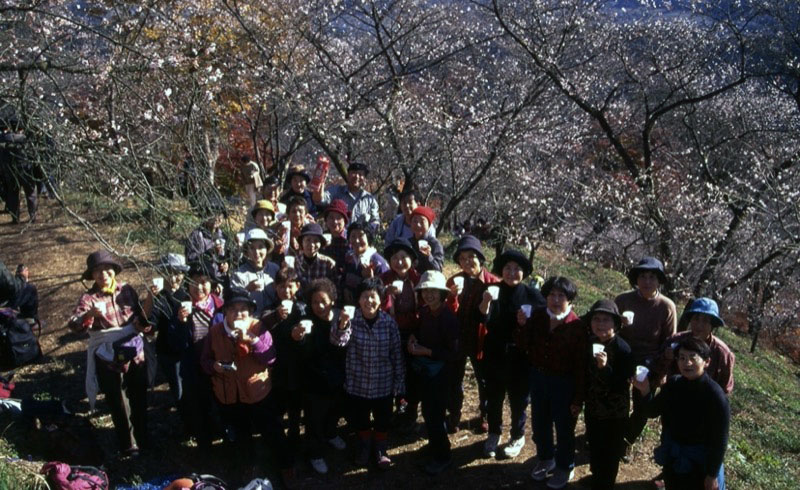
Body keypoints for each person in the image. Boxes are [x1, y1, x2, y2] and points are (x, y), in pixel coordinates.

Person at [200, 287, 294, 484]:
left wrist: (252, 340)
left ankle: (285, 465)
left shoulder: (258, 327)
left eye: (243, 309)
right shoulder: (216, 332)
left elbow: (270, 358)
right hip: (229, 395)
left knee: (272, 431)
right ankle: (248, 467)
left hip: (257, 392)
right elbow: (205, 361)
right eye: (233, 309)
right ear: (225, 311)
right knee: (241, 436)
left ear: (250, 312)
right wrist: (215, 366)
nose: (238, 313)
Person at [67, 250, 148, 456]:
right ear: (92, 276)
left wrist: (143, 324)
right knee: (118, 400)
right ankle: (129, 444)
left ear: (114, 271)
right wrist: (90, 314)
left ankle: (144, 435)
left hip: (133, 350)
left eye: (107, 270)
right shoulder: (89, 298)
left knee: (138, 394)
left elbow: (139, 315)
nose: (103, 275)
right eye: (97, 271)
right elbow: (74, 325)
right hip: (107, 355)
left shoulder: (127, 290)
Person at [632, 337, 730, 490]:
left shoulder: (715, 396)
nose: (687, 363)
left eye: (693, 357)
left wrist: (712, 475)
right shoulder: (674, 384)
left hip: (700, 463)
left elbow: (720, 440)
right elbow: (651, 411)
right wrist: (645, 391)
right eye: (682, 358)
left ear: (707, 362)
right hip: (674, 457)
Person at [517, 276, 584, 489]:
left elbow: (582, 367)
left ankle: (565, 466)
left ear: (570, 300)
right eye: (551, 295)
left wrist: (578, 398)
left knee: (564, 428)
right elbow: (523, 344)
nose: (555, 300)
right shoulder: (537, 316)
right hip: (539, 378)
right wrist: (521, 325)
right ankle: (546, 459)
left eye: (561, 296)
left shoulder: (577, 326)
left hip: (564, 383)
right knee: (540, 424)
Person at [331, 278, 404, 469]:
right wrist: (342, 324)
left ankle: (380, 448)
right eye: (365, 297)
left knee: (382, 419)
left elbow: (396, 354)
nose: (369, 301)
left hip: (383, 383)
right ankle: (364, 445)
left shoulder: (389, 323)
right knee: (361, 419)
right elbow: (338, 342)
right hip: (358, 383)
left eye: (373, 297)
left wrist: (399, 383)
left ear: (380, 300)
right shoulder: (351, 319)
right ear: (358, 300)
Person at [479, 249, 545, 459]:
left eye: (517, 269)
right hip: (495, 352)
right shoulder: (492, 290)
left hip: (520, 356)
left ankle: (517, 436)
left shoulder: (532, 295)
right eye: (507, 268)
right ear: (501, 270)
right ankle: (494, 433)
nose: (512, 272)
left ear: (524, 273)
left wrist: (527, 322)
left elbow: (542, 323)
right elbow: (480, 318)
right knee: (494, 395)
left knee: (519, 399)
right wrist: (486, 302)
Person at [615, 256, 676, 449]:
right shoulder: (623, 300)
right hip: (623, 357)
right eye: (643, 276)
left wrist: (662, 371)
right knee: (616, 400)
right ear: (636, 279)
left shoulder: (666, 306)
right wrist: (619, 324)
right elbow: (606, 329)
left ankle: (626, 440)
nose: (647, 282)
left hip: (649, 362)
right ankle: (609, 433)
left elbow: (670, 342)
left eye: (652, 277)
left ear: (659, 281)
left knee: (642, 407)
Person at [290, 278, 347, 475]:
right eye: (315, 302)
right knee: (314, 420)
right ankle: (315, 454)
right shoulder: (307, 322)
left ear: (333, 299)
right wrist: (299, 339)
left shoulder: (341, 317)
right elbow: (303, 354)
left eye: (324, 300)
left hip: (338, 377)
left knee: (335, 410)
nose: (320, 306)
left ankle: (331, 434)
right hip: (314, 380)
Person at [444, 235, 499, 434]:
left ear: (481, 259)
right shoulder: (454, 281)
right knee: (454, 377)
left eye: (472, 257)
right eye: (463, 258)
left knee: (483, 379)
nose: (467, 262)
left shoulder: (494, 283)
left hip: (481, 339)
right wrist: (452, 296)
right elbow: (448, 315)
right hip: (459, 337)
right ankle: (454, 413)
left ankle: (484, 414)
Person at [409, 271, 459, 475]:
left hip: (441, 375)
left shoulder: (448, 318)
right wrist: (413, 337)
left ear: (442, 294)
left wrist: (426, 351)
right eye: (425, 291)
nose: (429, 295)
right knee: (429, 413)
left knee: (436, 415)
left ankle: (443, 456)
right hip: (428, 372)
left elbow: (454, 353)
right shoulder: (426, 312)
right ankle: (435, 448)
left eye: (433, 292)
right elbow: (418, 330)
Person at [582, 300, 634, 490]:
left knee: (610, 451)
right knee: (594, 445)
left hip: (614, 412)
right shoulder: (590, 343)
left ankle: (606, 484)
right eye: (596, 319)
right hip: (593, 406)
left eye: (606, 320)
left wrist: (605, 368)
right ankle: (597, 478)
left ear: (616, 324)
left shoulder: (623, 349)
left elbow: (622, 382)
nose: (600, 324)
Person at [259, 268, 306, 463]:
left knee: (295, 403)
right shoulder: (271, 309)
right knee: (278, 403)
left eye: (290, 286)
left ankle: (295, 433)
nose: (286, 291)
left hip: (298, 365)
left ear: (297, 287)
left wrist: (299, 336)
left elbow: (307, 335)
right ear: (275, 288)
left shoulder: (302, 308)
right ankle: (278, 439)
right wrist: (277, 316)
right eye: (281, 287)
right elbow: (263, 325)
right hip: (277, 367)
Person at [380, 238, 421, 427]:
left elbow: (425, 306)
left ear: (412, 259)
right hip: (391, 332)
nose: (399, 262)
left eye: (404, 257)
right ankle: (399, 403)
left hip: (415, 330)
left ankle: (412, 406)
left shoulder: (417, 279)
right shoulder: (384, 279)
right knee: (396, 368)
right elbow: (378, 308)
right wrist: (385, 293)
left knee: (412, 370)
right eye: (395, 258)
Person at [657, 298, 734, 395]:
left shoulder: (722, 352)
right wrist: (666, 358)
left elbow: (725, 387)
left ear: (712, 325)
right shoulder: (675, 341)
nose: (699, 325)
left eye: (705, 321)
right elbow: (657, 370)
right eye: (696, 319)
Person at [313, 162, 380, 234]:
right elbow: (318, 199)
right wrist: (321, 181)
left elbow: (375, 221)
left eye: (360, 174)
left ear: (364, 179)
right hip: (338, 237)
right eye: (354, 173)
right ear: (348, 175)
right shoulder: (336, 191)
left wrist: (368, 232)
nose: (357, 176)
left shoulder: (369, 199)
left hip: (359, 239)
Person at [231, 228, 279, 316]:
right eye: (252, 248)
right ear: (246, 251)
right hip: (251, 320)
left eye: (260, 247)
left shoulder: (274, 269)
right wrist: (247, 289)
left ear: (266, 249)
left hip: (274, 318)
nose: (256, 252)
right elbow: (233, 300)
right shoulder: (239, 274)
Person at [342, 221, 389, 305]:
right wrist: (345, 289)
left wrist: (371, 279)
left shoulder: (378, 263)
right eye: (353, 236)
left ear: (368, 237)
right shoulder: (348, 258)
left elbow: (384, 294)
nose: (356, 240)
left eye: (361, 236)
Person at [294, 223, 339, 291]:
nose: (312, 244)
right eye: (308, 240)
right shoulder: (295, 262)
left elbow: (334, 288)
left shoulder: (327, 263)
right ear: (302, 242)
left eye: (316, 241)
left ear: (320, 244)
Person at [409, 205, 444, 273]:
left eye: (422, 222)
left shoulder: (434, 244)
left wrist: (428, 256)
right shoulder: (407, 242)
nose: (418, 225)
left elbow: (438, 270)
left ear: (429, 225)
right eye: (415, 221)